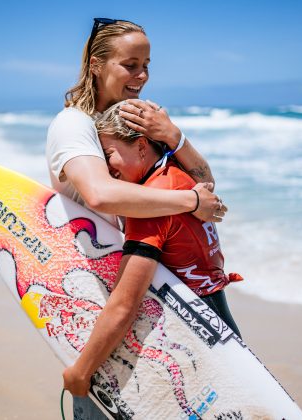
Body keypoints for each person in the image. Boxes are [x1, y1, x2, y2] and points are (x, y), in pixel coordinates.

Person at [46, 18, 227, 419]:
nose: (142, 76)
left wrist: (175, 137)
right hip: (100, 297)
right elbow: (101, 194)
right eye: (130, 64)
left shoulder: (138, 121)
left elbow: (205, 187)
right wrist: (188, 202)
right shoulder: (74, 124)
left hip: (142, 303)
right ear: (96, 64)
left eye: (147, 64)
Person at [62, 101, 243, 404]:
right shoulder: (183, 178)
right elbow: (205, 172)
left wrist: (82, 370)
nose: (105, 169)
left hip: (195, 344)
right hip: (223, 329)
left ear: (142, 147)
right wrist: (176, 136)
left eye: (108, 155)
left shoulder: (152, 204)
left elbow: (124, 303)